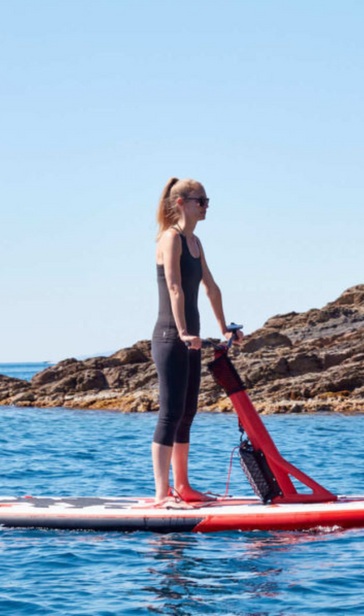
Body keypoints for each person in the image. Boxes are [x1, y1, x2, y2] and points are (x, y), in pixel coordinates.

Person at [151, 177, 241, 507]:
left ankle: (183, 487)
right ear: (181, 203)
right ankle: (162, 495)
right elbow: (174, 288)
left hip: (191, 340)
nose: (205, 206)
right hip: (170, 337)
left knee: (188, 411)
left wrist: (224, 328)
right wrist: (184, 331)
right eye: (199, 200)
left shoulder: (195, 242)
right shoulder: (170, 239)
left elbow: (211, 287)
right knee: (170, 412)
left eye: (206, 200)